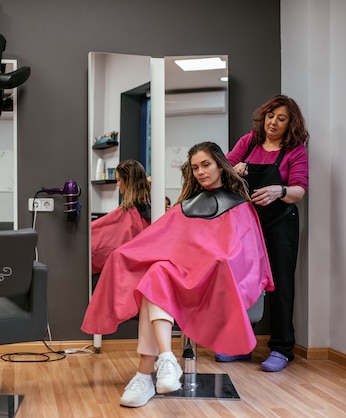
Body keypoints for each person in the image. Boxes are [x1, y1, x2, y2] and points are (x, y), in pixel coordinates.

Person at [82, 142, 273, 408]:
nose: (200, 172)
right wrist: (122, 254)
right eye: (195, 168)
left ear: (220, 164)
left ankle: (144, 373)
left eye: (206, 165)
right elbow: (158, 240)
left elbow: (247, 254)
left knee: (158, 280)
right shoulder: (187, 207)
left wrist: (217, 260)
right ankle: (167, 360)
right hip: (182, 278)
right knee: (156, 273)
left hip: (217, 283)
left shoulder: (239, 206)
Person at [217, 94, 309, 372]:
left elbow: (299, 190)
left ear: (290, 124)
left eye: (281, 119)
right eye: (271, 116)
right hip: (246, 223)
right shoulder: (249, 142)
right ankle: (240, 345)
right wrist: (234, 169)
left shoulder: (295, 151)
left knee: (280, 284)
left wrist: (279, 190)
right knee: (242, 282)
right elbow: (222, 171)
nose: (273, 123)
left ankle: (282, 349)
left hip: (280, 223)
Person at [91, 159, 151, 275]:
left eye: (119, 180)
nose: (117, 184)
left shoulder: (128, 213)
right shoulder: (149, 212)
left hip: (123, 275)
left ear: (127, 182)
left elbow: (96, 244)